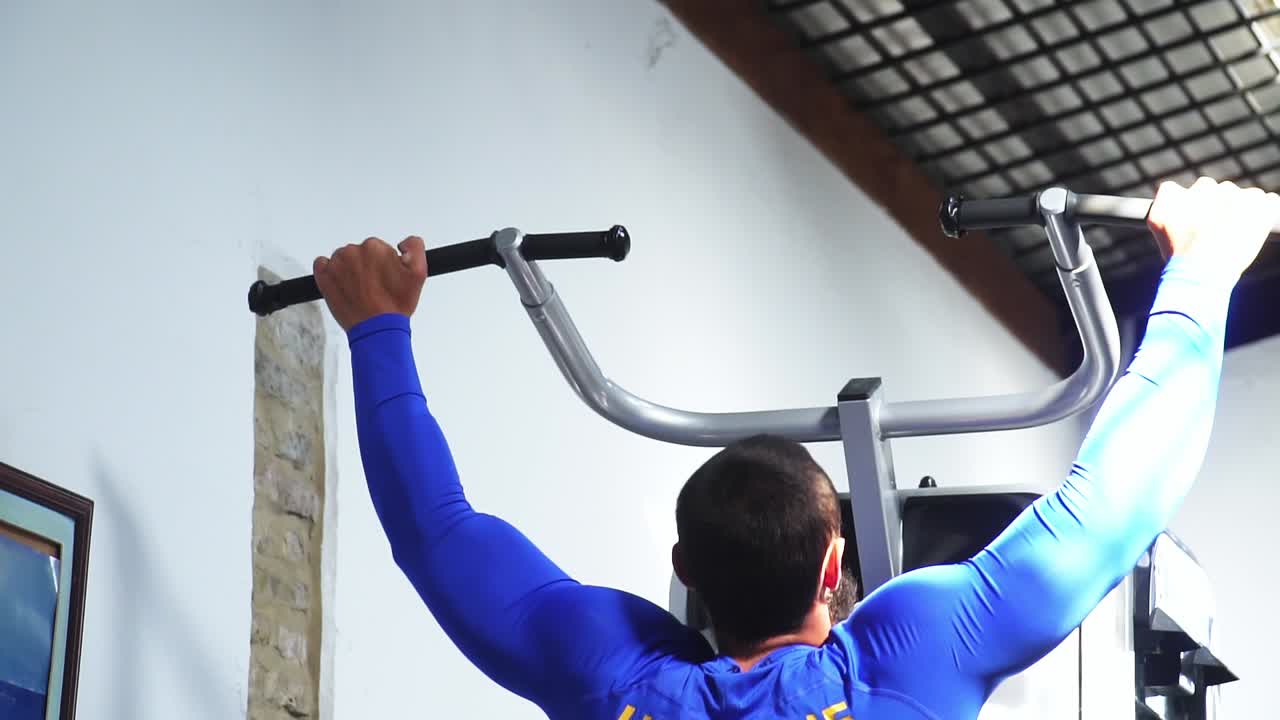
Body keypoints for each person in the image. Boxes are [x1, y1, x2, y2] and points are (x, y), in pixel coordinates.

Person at [311, 177, 1278, 719]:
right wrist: (1201, 269)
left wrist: (379, 330)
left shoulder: (612, 678)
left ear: (681, 570)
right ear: (835, 564)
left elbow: (437, 535)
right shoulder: (903, 662)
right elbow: (1110, 509)